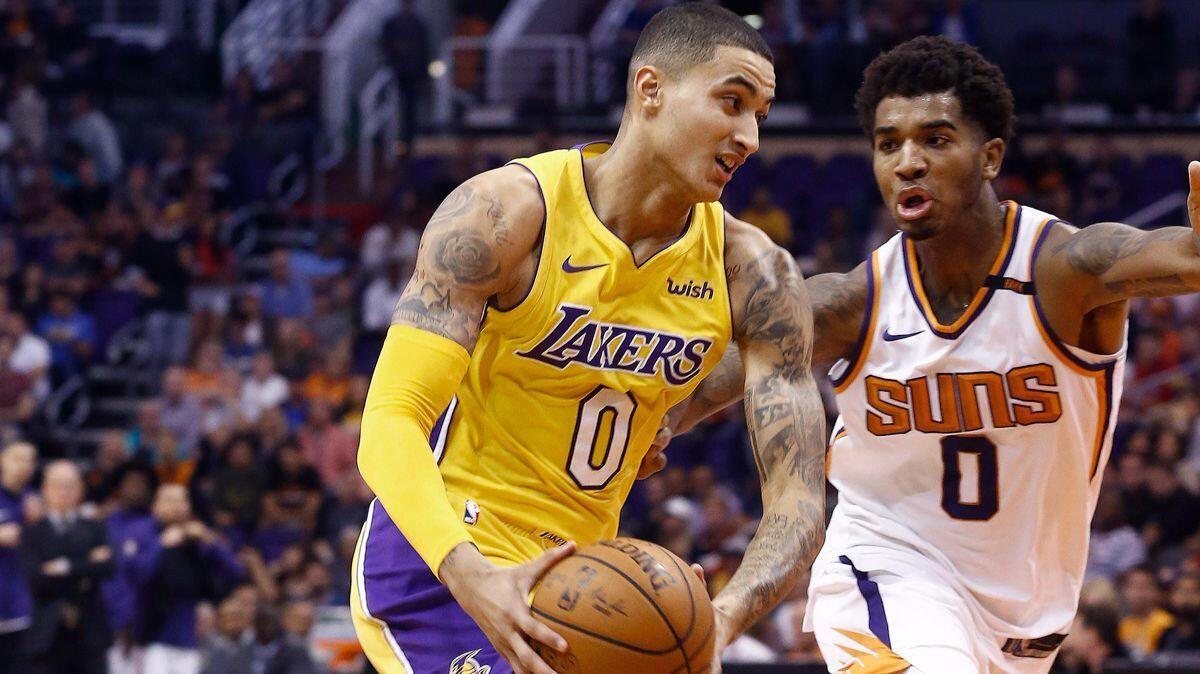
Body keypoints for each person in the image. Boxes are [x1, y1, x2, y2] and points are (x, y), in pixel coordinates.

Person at [662, 36, 1200, 673]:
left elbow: (1183, 257)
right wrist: (651, 427)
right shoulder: (847, 304)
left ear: (990, 156)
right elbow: (705, 382)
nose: (907, 162)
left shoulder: (1065, 269)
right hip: (886, 570)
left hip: (1027, 620)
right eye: (889, 144)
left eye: (936, 140)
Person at [352, 4, 827, 673]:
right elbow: (389, 420)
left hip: (581, 582)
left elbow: (800, 495)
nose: (748, 135)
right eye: (732, 101)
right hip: (442, 564)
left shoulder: (753, 271)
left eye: (760, 115)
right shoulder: (503, 215)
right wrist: (470, 575)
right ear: (651, 90)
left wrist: (722, 617)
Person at [22, 461, 114, 674]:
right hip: (47, 637)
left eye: (70, 485)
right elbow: (37, 581)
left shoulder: (95, 527)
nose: (64, 492)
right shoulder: (33, 532)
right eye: (58, 485)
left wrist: (65, 566)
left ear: (81, 489)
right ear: (45, 489)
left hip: (90, 633)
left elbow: (108, 567)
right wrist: (86, 566)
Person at [0, 441, 37, 673]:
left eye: (30, 460)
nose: (24, 465)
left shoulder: (34, 503)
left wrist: (37, 526)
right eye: (18, 458)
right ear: (2, 460)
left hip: (19, 609)